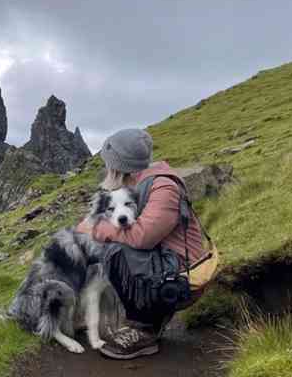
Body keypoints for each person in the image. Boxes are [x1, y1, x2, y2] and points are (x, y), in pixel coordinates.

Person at [76, 128, 207, 359]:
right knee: (101, 246)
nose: (107, 169)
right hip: (165, 260)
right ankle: (86, 312)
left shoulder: (163, 187)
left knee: (114, 251)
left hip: (183, 272)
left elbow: (143, 236)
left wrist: (95, 229)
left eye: (109, 163)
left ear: (119, 165)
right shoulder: (138, 183)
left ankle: (145, 328)